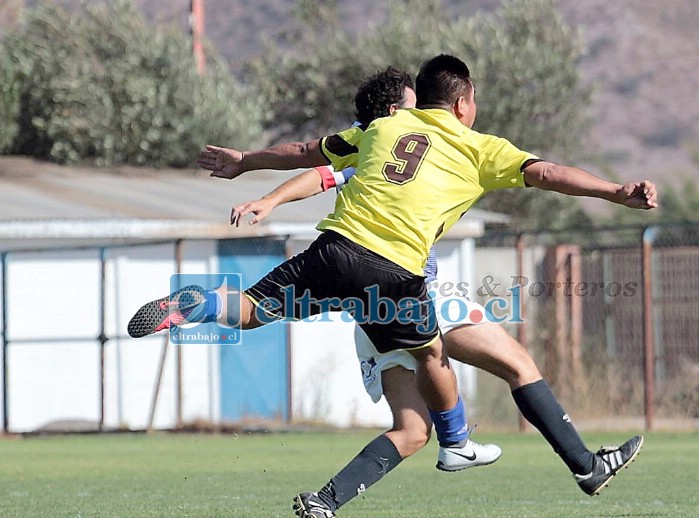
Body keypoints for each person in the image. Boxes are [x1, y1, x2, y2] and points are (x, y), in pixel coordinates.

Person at [132, 55, 657, 516]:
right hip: (398, 280)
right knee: (476, 360)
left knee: (254, 314)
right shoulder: (476, 148)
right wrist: (616, 192)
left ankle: (200, 303)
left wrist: (247, 164)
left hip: (333, 254)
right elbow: (547, 174)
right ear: (461, 104)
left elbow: (309, 155)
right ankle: (511, 454)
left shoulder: (379, 132)